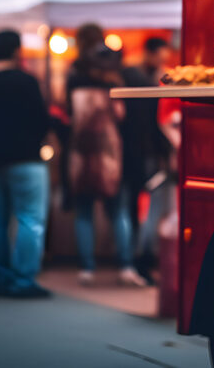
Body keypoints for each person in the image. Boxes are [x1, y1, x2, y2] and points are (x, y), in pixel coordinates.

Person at [0, 29, 51, 299]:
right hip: (26, 158)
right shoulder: (25, 81)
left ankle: (2, 276)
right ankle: (23, 278)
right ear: (17, 51)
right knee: (30, 218)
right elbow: (41, 119)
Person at [67, 31, 147, 288]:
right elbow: (127, 122)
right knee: (119, 212)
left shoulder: (75, 83)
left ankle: (87, 268)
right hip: (112, 157)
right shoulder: (119, 86)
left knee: (84, 213)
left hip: (81, 155)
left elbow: (67, 118)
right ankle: (125, 265)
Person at [120, 37, 174, 283]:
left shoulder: (135, 76)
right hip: (147, 152)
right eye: (160, 55)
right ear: (149, 53)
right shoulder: (145, 80)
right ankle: (140, 260)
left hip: (134, 151)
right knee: (148, 208)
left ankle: (135, 260)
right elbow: (155, 123)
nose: (162, 61)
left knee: (135, 207)